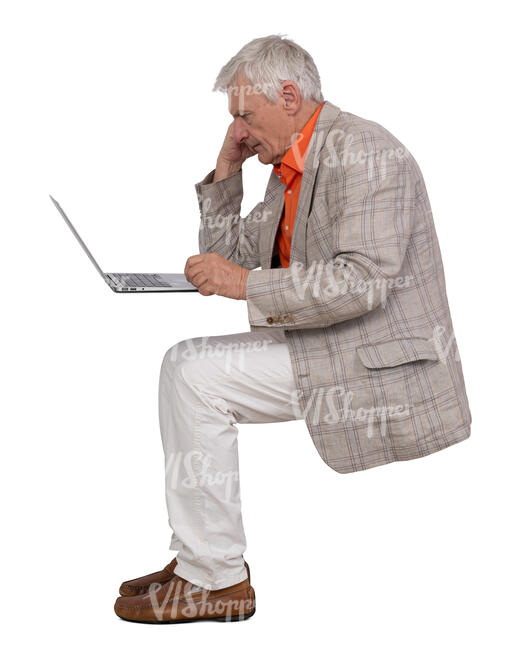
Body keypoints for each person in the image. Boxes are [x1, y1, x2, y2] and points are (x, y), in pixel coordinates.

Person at [114, 34, 471, 624]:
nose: (239, 130)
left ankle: (215, 577)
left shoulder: (366, 153)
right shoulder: (289, 166)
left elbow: (361, 282)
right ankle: (200, 565)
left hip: (377, 355)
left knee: (192, 372)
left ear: (288, 95)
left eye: (244, 116)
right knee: (185, 364)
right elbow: (229, 253)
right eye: (233, 120)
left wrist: (245, 285)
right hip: (331, 336)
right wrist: (226, 170)